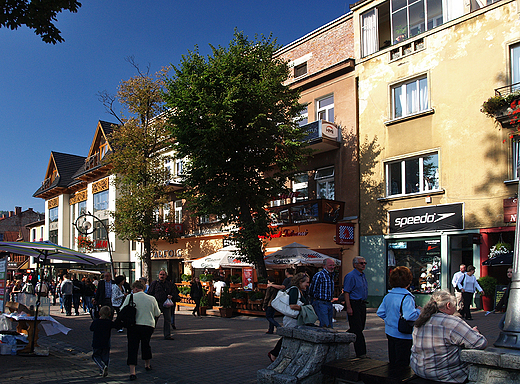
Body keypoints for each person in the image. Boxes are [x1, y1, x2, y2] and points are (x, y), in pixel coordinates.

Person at [410, 290, 487, 383]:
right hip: (446, 376)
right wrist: (474, 332)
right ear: (448, 305)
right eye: (454, 305)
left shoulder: (421, 321)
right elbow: (480, 343)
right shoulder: (452, 322)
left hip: (420, 371)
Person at [376, 266, 421, 367]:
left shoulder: (389, 295)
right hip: (403, 334)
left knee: (393, 359)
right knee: (402, 362)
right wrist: (419, 311)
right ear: (408, 281)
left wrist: (390, 320)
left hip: (390, 331)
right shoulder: (407, 297)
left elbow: (380, 312)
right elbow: (410, 315)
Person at [121, 280, 161, 381]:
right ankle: (147, 364)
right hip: (148, 325)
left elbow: (122, 310)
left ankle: (132, 371)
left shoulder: (130, 297)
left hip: (134, 325)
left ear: (135, 288)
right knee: (146, 344)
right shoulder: (152, 298)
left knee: (132, 347)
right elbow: (157, 313)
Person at [268, 272, 310, 362]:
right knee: (288, 337)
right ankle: (274, 353)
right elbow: (292, 305)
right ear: (300, 282)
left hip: (295, 318)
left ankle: (279, 354)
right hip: (292, 318)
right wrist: (305, 308)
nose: (308, 284)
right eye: (306, 282)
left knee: (290, 337)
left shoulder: (299, 290)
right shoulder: (294, 290)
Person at [343, 256, 369, 357]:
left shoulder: (362, 275)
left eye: (364, 263)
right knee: (357, 329)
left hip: (362, 303)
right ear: (355, 265)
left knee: (359, 327)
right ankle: (361, 353)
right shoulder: (351, 276)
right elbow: (346, 292)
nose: (363, 265)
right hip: (354, 303)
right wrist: (349, 307)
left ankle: (344, 337)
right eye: (361, 263)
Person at [90, 305, 117, 377]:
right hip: (106, 342)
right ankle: (105, 368)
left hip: (97, 341)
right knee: (105, 356)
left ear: (99, 313)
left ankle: (102, 367)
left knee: (95, 356)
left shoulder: (96, 322)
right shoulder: (109, 322)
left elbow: (91, 328)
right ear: (109, 314)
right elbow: (116, 325)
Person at [147, 270, 175, 340]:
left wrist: (171, 296)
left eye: (163, 274)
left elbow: (174, 292)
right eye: (161, 274)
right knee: (154, 319)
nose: (162, 276)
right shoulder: (155, 283)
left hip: (166, 304)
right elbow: (150, 293)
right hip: (157, 303)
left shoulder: (169, 284)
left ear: (166, 276)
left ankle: (167, 335)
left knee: (167, 319)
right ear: (158, 275)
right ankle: (149, 334)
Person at [309, 258, 336, 328]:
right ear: (324, 266)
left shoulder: (331, 275)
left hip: (329, 302)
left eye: (333, 265)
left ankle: (329, 338)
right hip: (320, 302)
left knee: (330, 324)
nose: (332, 267)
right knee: (325, 324)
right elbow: (312, 289)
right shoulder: (319, 275)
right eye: (330, 265)